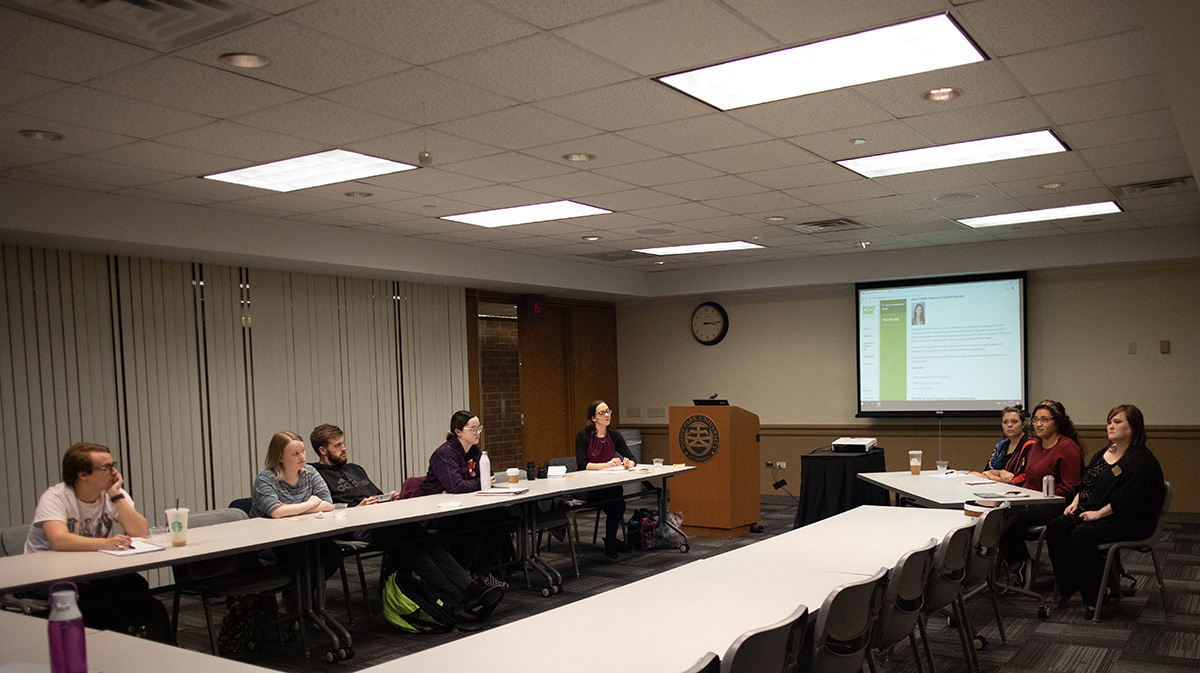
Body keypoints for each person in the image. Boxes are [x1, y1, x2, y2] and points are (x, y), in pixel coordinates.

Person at [309, 424, 501, 615]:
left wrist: (388, 497)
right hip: (356, 527)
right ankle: (459, 598)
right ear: (322, 450)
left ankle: (471, 588)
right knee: (408, 544)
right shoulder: (317, 476)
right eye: (337, 446)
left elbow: (375, 494)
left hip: (383, 518)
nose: (343, 448)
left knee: (425, 537)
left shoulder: (355, 469)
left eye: (343, 443)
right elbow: (326, 510)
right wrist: (356, 508)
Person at [24, 442, 170, 641]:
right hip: (47, 573)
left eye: (113, 465)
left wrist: (116, 495)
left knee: (135, 585)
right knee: (93, 599)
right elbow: (59, 540)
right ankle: (108, 644)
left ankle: (132, 641)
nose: (114, 472)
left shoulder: (111, 493)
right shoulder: (56, 497)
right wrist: (104, 544)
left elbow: (140, 531)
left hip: (89, 568)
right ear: (82, 474)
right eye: (106, 467)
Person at [1045, 405, 1165, 617]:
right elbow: (1087, 484)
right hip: (1094, 512)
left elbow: (1129, 500)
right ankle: (1069, 585)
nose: (1111, 426)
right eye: (1109, 421)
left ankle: (1095, 599)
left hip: (1128, 520)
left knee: (1081, 536)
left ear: (1133, 427)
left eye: (1117, 422)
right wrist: (1076, 500)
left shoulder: (1141, 460)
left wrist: (1098, 514)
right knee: (1056, 528)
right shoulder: (1104, 453)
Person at [997, 400, 1084, 584]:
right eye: (1036, 419)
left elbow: (1071, 488)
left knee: (1007, 518)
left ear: (1057, 422)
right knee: (998, 513)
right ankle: (1019, 563)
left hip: (1058, 505)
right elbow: (1030, 479)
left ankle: (1019, 564)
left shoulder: (1068, 448)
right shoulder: (1036, 446)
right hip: (1033, 501)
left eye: (1044, 419)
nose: (1038, 424)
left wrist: (1039, 497)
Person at [417, 411, 511, 582]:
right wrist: (478, 483)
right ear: (458, 431)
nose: (477, 433)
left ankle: (481, 572)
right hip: (441, 512)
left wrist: (474, 483)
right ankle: (460, 575)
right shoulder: (446, 453)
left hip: (465, 505)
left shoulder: (474, 451)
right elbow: (458, 486)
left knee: (503, 518)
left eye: (479, 428)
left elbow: (487, 476)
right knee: (479, 524)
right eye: (472, 429)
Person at [575, 400, 636, 560]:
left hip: (610, 484)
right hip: (590, 486)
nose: (607, 415)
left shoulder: (614, 436)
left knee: (617, 501)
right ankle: (611, 542)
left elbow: (632, 457)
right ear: (593, 418)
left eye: (608, 411)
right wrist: (606, 465)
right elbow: (582, 465)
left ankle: (611, 541)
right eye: (602, 413)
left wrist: (629, 463)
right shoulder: (583, 437)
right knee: (616, 503)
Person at [251, 431, 333, 519]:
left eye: (303, 451)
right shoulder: (265, 479)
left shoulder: (310, 471)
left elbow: (328, 504)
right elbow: (276, 512)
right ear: (280, 458)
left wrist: (288, 509)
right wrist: (310, 504)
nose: (302, 457)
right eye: (295, 454)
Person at [972, 404, 1037, 485]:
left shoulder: (1030, 445)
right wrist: (1001, 472)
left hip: (1019, 489)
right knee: (972, 474)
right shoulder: (1001, 445)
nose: (1009, 425)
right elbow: (988, 471)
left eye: (1014, 422)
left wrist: (993, 477)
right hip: (1000, 486)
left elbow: (1024, 477)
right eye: (1005, 422)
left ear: (1023, 425)